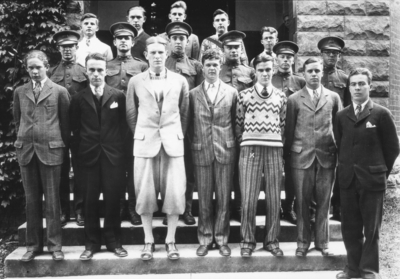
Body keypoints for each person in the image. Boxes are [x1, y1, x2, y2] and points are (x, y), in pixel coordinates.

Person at [126, 36, 189, 261]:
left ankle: (171, 240)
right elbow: (131, 113)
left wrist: (172, 133)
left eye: (161, 52)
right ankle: (148, 241)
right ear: (146, 55)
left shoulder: (180, 81)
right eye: (152, 53)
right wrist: (143, 134)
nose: (157, 56)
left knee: (173, 193)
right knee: (144, 194)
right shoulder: (136, 81)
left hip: (172, 143)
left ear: (167, 53)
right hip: (145, 143)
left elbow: (184, 113)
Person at [334, 68, 399, 279]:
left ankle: (369, 270)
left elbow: (392, 148)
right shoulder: (342, 115)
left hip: (372, 181)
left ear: (369, 86)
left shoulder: (381, 114)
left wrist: (379, 171)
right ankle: (352, 269)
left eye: (362, 84)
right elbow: (340, 142)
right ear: (349, 87)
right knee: (350, 228)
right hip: (348, 180)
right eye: (353, 84)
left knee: (371, 230)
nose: (357, 88)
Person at [70, 53, 128, 260]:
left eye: (100, 70)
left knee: (113, 200)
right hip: (88, 158)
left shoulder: (118, 96)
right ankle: (91, 244)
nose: (96, 74)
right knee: (90, 202)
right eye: (92, 70)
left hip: (113, 157)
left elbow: (123, 129)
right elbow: (74, 131)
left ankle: (114, 242)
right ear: (86, 72)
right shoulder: (77, 98)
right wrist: (78, 157)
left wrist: (122, 155)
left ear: (106, 71)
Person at [13, 50, 70, 262]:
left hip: (52, 150)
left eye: (38, 67)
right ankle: (33, 246)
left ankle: (55, 246)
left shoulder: (59, 91)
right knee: (31, 200)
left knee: (53, 201)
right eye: (31, 68)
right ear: (27, 69)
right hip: (27, 150)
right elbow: (17, 120)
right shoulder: (20, 91)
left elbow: (65, 124)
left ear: (46, 66)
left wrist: (60, 145)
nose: (35, 71)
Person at [284, 57, 342, 257]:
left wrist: (338, 152)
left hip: (327, 156)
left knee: (325, 202)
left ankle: (322, 242)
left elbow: (338, 127)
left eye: (318, 71)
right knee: (302, 202)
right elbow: (289, 131)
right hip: (301, 157)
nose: (314, 74)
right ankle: (302, 243)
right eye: (310, 71)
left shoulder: (333, 97)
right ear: (304, 74)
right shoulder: (294, 99)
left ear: (322, 73)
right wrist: (288, 157)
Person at [236, 54, 286, 258]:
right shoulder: (244, 95)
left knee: (274, 198)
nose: (265, 73)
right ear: (255, 71)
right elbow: (238, 123)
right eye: (261, 70)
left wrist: (274, 142)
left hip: (274, 150)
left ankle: (272, 240)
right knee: (248, 197)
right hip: (250, 150)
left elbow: (282, 124)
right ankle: (248, 240)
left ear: (273, 70)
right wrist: (248, 142)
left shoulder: (281, 96)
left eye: (268, 69)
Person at [189, 49, 237, 257]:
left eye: (215, 64)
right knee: (205, 198)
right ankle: (205, 238)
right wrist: (196, 142)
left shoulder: (232, 92)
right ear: (202, 66)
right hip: (202, 150)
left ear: (221, 66)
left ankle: (222, 238)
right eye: (208, 64)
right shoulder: (192, 94)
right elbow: (188, 124)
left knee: (224, 198)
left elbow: (236, 122)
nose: (211, 68)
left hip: (225, 150)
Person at [105, 22, 148, 226]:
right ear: (114, 41)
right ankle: (119, 206)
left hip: (135, 124)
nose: (123, 41)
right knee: (115, 167)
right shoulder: (107, 66)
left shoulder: (141, 66)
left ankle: (133, 207)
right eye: (119, 38)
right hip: (111, 126)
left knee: (134, 167)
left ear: (132, 41)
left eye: (127, 38)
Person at [163, 21, 203, 226]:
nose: (178, 42)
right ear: (168, 42)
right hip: (167, 125)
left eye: (182, 39)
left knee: (188, 170)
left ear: (188, 42)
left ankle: (186, 209)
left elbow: (202, 96)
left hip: (190, 127)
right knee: (168, 169)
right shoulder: (162, 64)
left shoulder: (196, 66)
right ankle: (169, 210)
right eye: (174, 38)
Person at [49, 30, 87, 227]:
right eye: (64, 47)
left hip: (80, 129)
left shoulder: (85, 72)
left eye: (71, 47)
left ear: (76, 48)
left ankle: (80, 211)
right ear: (58, 49)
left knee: (80, 170)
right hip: (58, 129)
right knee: (61, 171)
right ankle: (64, 211)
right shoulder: (51, 73)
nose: (67, 51)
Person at [219, 30, 254, 221]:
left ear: (241, 49)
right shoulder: (216, 70)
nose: (233, 50)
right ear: (223, 49)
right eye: (229, 47)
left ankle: (240, 206)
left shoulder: (249, 72)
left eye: (236, 47)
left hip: (243, 130)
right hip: (221, 128)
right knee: (223, 171)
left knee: (242, 170)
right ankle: (222, 207)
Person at [271, 41, 305, 224]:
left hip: (293, 133)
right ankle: (274, 207)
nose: (285, 60)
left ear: (293, 60)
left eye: (289, 57)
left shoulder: (300, 81)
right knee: (274, 173)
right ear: (276, 59)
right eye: (282, 57)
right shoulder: (269, 78)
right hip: (272, 133)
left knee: (292, 174)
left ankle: (289, 208)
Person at [318, 36, 350, 222]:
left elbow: (348, 106)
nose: (331, 56)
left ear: (339, 56)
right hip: (317, 129)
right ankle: (315, 210)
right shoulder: (313, 74)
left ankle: (337, 207)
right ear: (321, 54)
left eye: (335, 53)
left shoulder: (344, 78)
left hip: (337, 130)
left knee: (339, 170)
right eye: (328, 53)